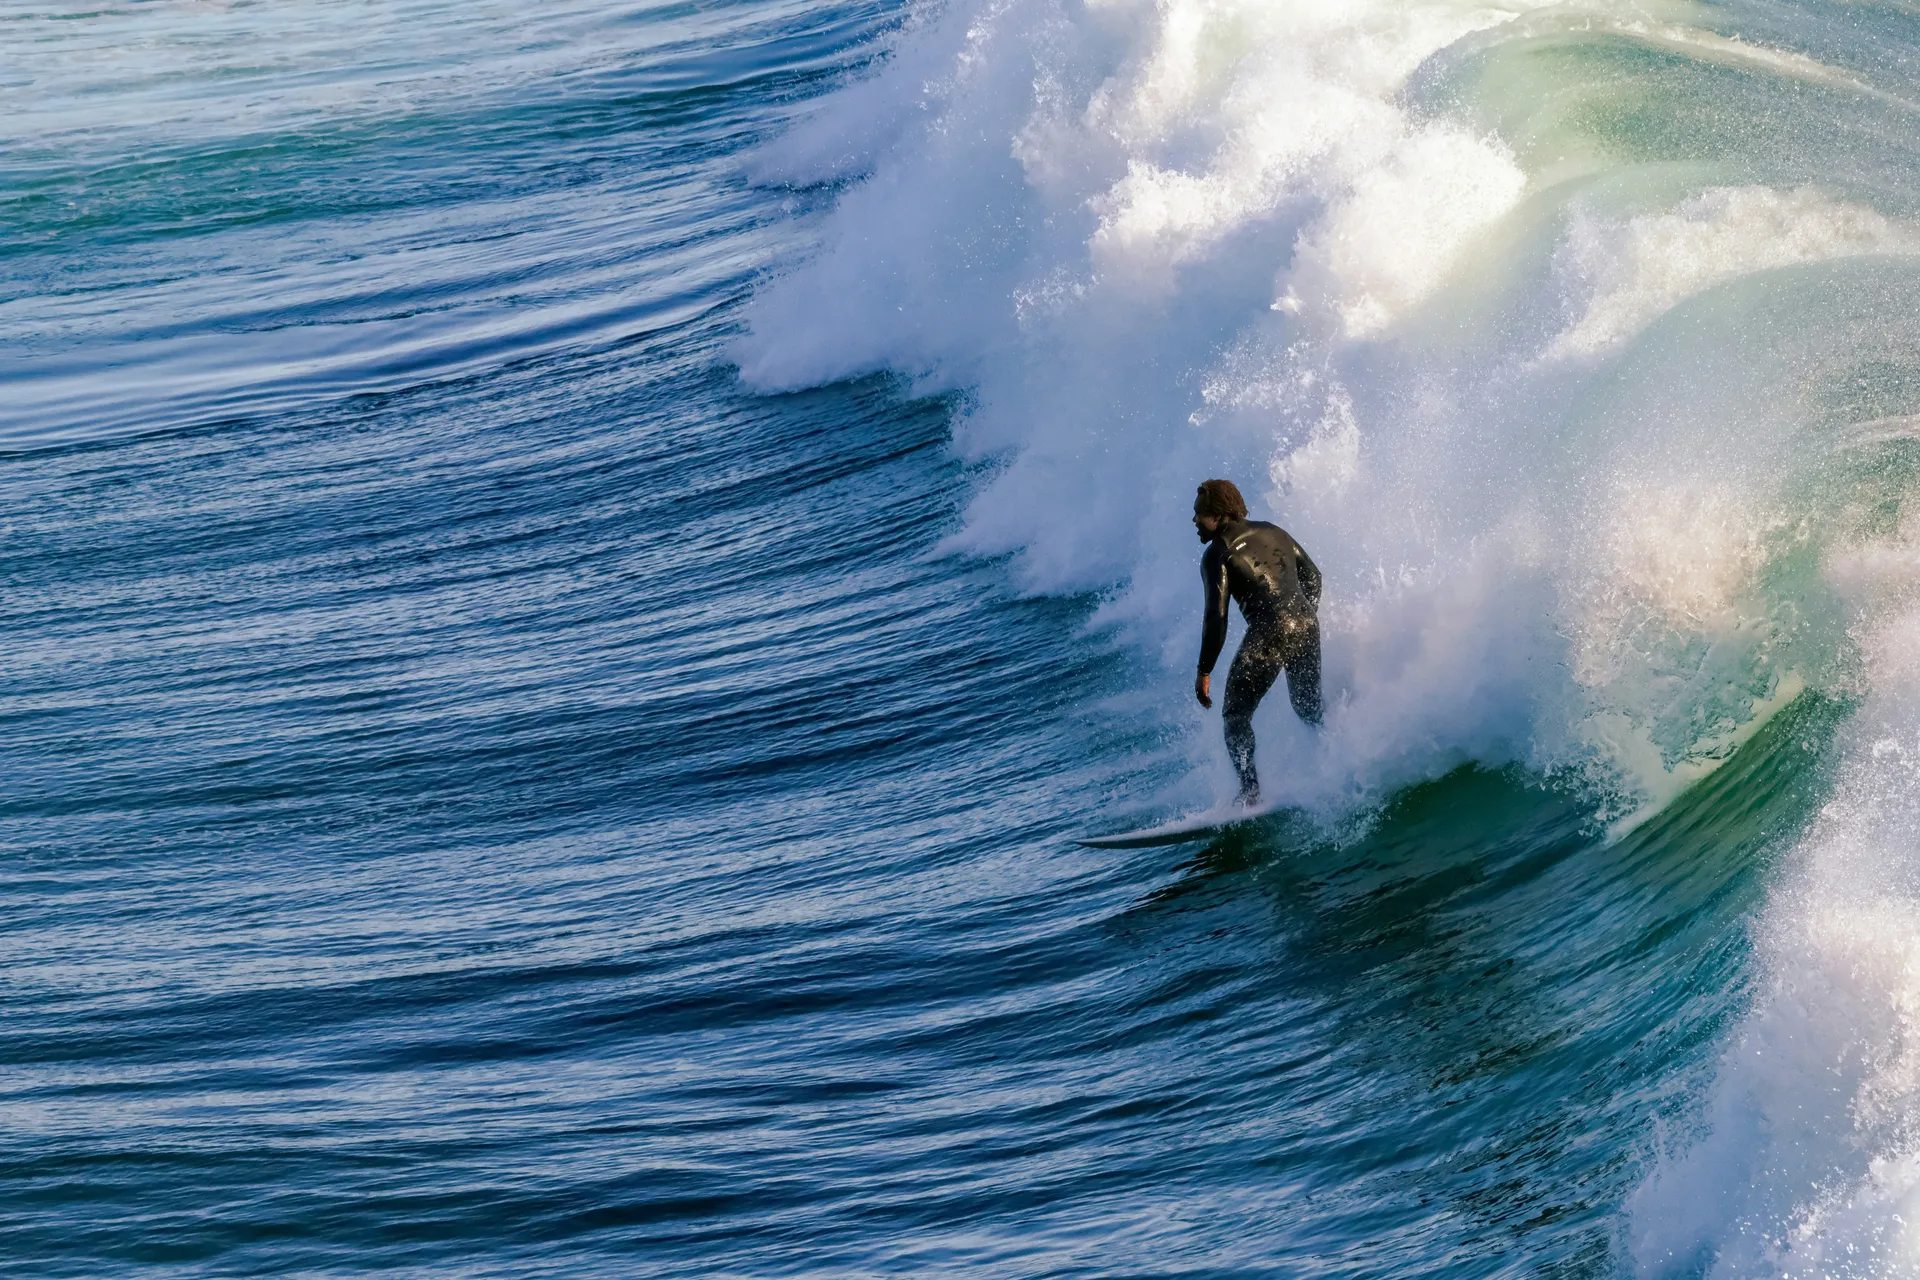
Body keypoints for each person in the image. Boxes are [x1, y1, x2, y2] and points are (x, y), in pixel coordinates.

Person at [1191, 479, 1322, 805]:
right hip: (1306, 623)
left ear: (1218, 514)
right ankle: (1341, 756)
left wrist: (1204, 670)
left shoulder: (1217, 554)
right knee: (1310, 710)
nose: (1194, 521)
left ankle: (1250, 793)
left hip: (1269, 632)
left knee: (1235, 716)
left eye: (1199, 514)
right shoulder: (1274, 531)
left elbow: (1216, 618)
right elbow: (1314, 578)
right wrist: (1301, 616)